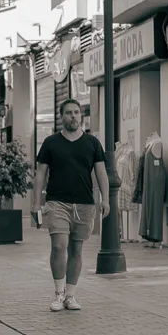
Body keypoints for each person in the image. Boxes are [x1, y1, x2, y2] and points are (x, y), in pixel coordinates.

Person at [30, 99, 110, 312]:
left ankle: (70, 295)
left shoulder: (92, 143)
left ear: (81, 116)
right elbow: (40, 174)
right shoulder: (50, 142)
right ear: (61, 117)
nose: (73, 116)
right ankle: (58, 293)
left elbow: (101, 173)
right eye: (68, 113)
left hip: (84, 204)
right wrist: (36, 203)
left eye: (76, 112)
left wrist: (106, 199)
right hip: (57, 202)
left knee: (77, 249)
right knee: (59, 246)